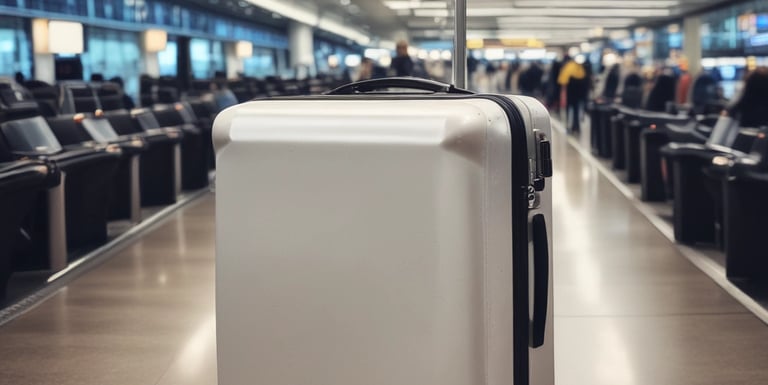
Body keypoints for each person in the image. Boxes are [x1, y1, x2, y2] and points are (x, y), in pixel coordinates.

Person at [558, 55, 588, 133]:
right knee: (576, 111)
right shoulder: (581, 69)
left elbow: (562, 81)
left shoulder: (568, 68)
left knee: (568, 111)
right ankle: (576, 127)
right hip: (577, 96)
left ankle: (569, 127)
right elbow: (584, 83)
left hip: (570, 95)